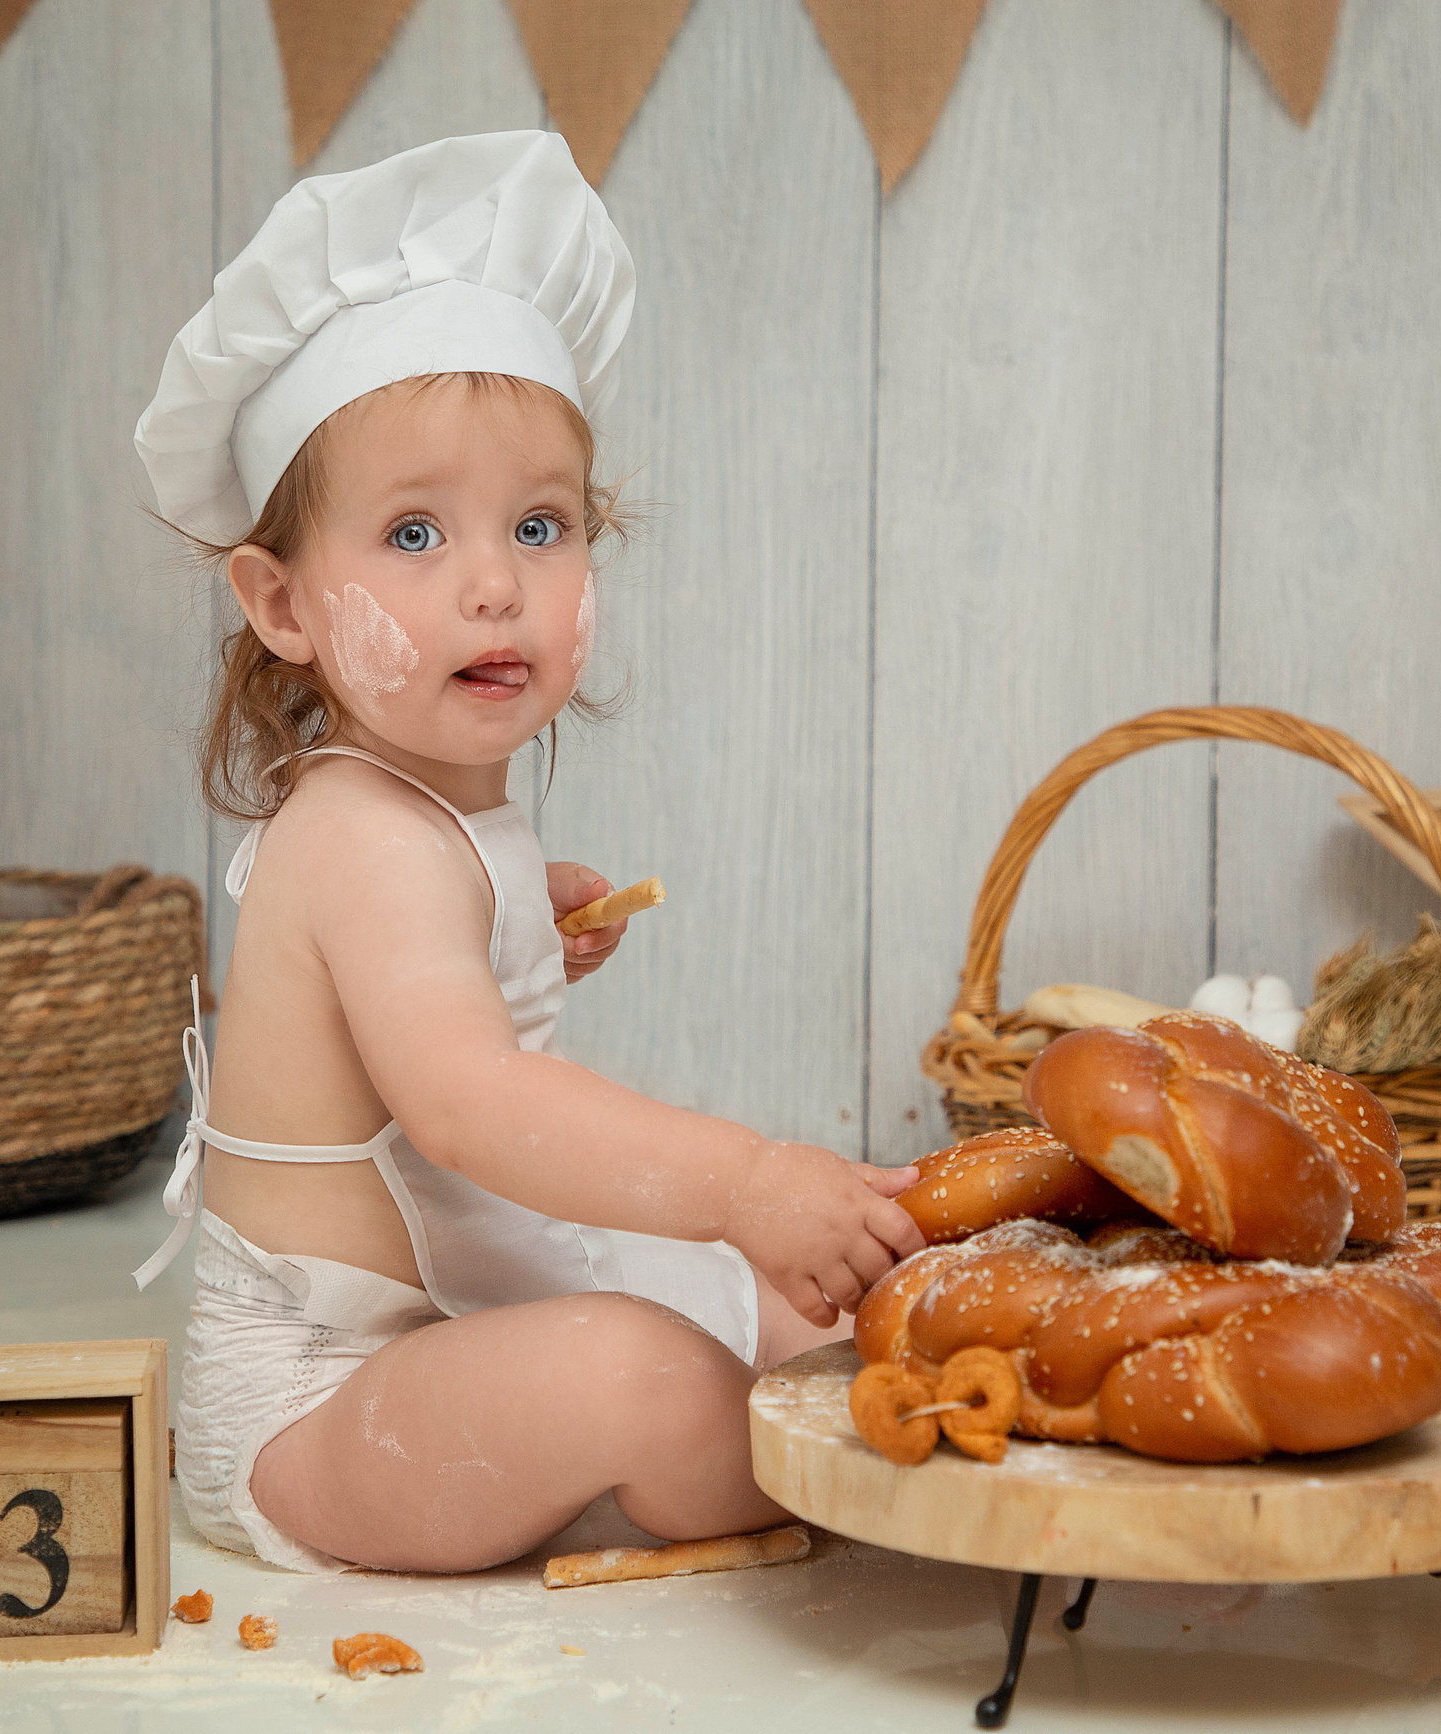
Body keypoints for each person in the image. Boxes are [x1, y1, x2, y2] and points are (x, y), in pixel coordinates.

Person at [132, 131, 921, 1574]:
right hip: (321, 1412)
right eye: (416, 531)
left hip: (448, 1326)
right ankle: (792, 1458)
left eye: (541, 524)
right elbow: (470, 1109)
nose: (496, 582)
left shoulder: (429, 814)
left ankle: (805, 1412)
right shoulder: (364, 839)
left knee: (810, 1306)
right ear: (284, 602)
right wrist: (743, 1179)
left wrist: (514, 929)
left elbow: (408, 997)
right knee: (651, 1373)